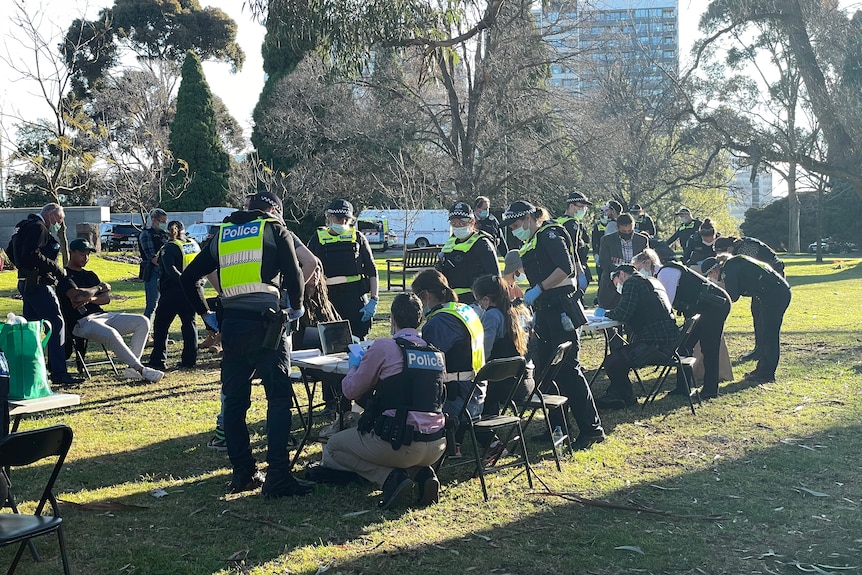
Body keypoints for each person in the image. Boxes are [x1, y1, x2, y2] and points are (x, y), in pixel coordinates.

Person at [180, 190, 312, 497]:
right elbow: (294, 272)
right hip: (267, 326)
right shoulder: (273, 228)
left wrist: (206, 315)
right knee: (278, 399)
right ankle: (278, 474)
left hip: (232, 327)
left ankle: (243, 473)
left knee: (235, 403)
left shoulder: (222, 234)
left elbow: (189, 278)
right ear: (274, 210)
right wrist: (297, 307)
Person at [310, 293, 447, 510]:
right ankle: (422, 473)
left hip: (398, 441)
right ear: (420, 320)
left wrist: (356, 365)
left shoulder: (384, 347)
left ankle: (391, 478)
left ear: (392, 319)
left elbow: (350, 390)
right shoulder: (436, 354)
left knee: (335, 445)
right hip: (437, 444)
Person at [502, 200, 605, 450]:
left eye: (516, 225)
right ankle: (557, 427)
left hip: (561, 308)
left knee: (569, 370)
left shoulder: (550, 233)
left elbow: (565, 268)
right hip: (546, 309)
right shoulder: (533, 239)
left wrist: (539, 288)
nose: (515, 230)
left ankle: (592, 429)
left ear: (528, 218)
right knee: (546, 372)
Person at [58, 239, 164, 383]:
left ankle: (131, 369)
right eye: (82, 254)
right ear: (71, 253)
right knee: (111, 333)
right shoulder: (65, 276)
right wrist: (98, 288)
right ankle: (141, 369)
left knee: (142, 321)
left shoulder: (90, 275)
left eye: (88, 254)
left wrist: (89, 298)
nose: (86, 258)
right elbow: (77, 296)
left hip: (102, 315)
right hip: (81, 322)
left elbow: (106, 298)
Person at [633, 248, 731, 399]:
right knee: (684, 346)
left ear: (648, 263)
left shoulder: (666, 273)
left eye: (639, 269)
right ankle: (683, 387)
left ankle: (711, 390)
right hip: (701, 308)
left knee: (709, 347)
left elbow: (666, 305)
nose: (639, 274)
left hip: (715, 305)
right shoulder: (658, 276)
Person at [7, 203, 81, 385]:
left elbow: (10, 250)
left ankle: (32, 370)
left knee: (32, 328)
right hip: (39, 284)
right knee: (56, 324)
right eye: (59, 220)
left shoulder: (23, 226)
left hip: (25, 282)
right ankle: (58, 372)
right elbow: (33, 254)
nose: (59, 225)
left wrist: (22, 268)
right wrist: (54, 268)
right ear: (50, 216)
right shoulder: (39, 228)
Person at [595, 265, 679, 409]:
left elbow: (623, 313)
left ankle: (623, 397)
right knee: (617, 358)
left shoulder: (632, 282)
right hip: (670, 341)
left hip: (655, 344)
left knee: (612, 362)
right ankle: (619, 394)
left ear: (621, 274)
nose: (618, 287)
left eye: (616, 282)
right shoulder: (652, 281)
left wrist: (605, 314)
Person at [411, 269, 485, 425]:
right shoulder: (465, 310)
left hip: (457, 402)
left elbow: (427, 369)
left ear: (425, 295)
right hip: (477, 395)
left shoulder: (438, 322)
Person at [711, 254, 791, 383]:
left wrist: (716, 289)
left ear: (715, 270)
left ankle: (767, 373)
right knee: (763, 332)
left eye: (711, 275)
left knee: (769, 334)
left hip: (774, 295)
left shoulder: (729, 268)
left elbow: (732, 296)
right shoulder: (735, 262)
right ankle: (762, 369)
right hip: (773, 292)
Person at [307, 199, 379, 339]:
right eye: (338, 219)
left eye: (345, 219)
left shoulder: (358, 238)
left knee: (358, 337)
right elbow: (308, 267)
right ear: (329, 217)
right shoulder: (317, 238)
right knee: (332, 340)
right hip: (328, 296)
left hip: (354, 296)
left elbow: (371, 269)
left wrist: (374, 299)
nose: (341, 223)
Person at [714, 236, 785, 361]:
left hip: (771, 280)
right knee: (756, 312)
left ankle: (763, 350)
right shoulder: (738, 248)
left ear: (729, 248)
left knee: (762, 315)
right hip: (761, 283)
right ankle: (759, 348)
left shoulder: (747, 247)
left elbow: (752, 268)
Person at [471, 275, 532, 418]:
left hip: (501, 385)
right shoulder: (520, 310)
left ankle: (485, 432)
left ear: (486, 299)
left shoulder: (492, 316)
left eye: (478, 300)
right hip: (524, 380)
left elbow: (483, 353)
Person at [146, 221, 200, 371]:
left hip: (173, 291)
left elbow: (170, 270)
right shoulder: (193, 244)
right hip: (191, 291)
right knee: (190, 324)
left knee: (161, 325)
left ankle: (158, 360)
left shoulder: (169, 248)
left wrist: (183, 282)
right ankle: (190, 360)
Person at [436, 201, 500, 305]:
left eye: (462, 223)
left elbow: (495, 275)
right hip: (451, 298)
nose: (458, 226)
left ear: (472, 222)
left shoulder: (482, 243)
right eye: (454, 223)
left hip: (474, 300)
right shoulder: (451, 242)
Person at [597, 213, 649, 309]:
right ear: (617, 228)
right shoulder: (607, 240)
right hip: (612, 286)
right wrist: (619, 273)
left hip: (635, 285)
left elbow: (645, 261)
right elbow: (604, 262)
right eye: (623, 231)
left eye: (630, 230)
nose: (627, 233)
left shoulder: (642, 240)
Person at [556, 191, 593, 293]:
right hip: (573, 266)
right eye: (581, 206)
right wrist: (580, 272)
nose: (583, 210)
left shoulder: (559, 220)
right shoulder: (572, 223)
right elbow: (573, 248)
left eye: (585, 207)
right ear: (572, 206)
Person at [137, 208, 168, 321]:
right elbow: (152, 257)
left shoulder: (164, 234)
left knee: (164, 306)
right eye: (162, 221)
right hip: (153, 273)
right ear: (154, 220)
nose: (164, 224)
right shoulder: (146, 234)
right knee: (152, 305)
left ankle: (161, 336)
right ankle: (146, 333)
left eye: (165, 221)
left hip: (165, 273)